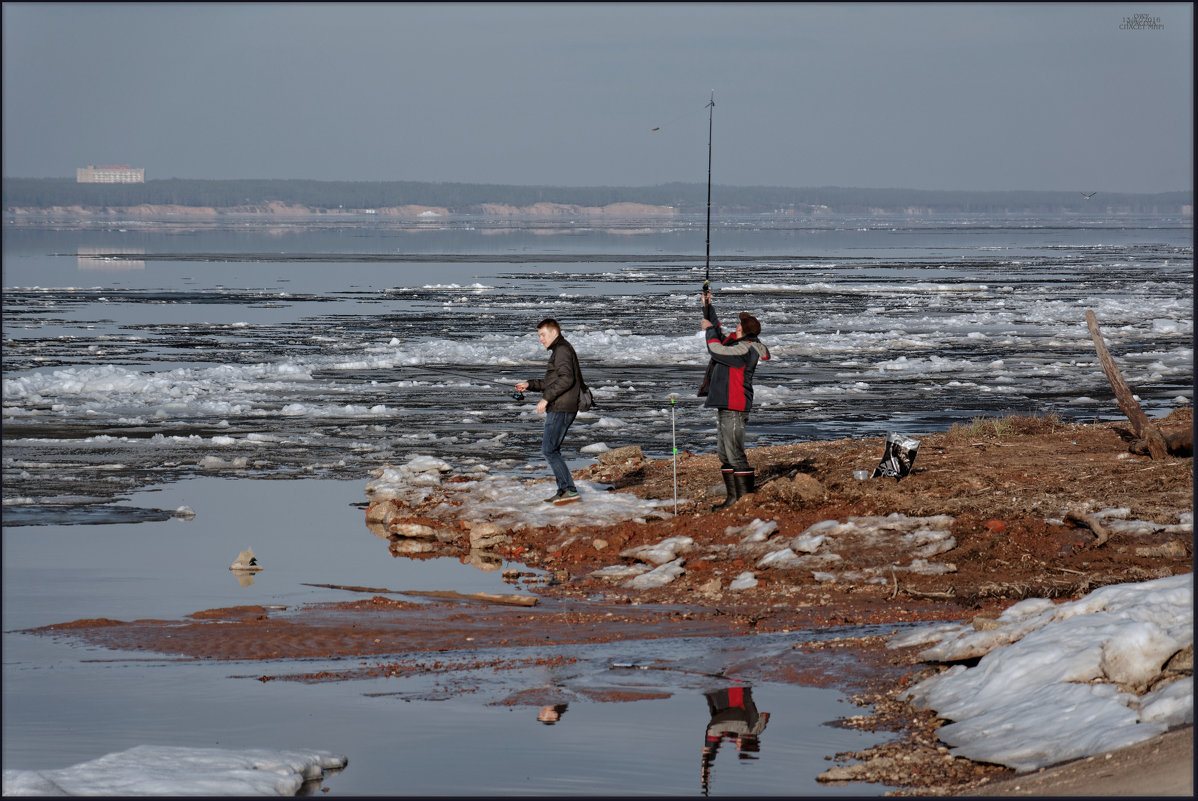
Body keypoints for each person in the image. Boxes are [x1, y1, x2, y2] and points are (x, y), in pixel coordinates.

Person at [698, 290, 770, 509]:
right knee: (724, 453)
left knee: (735, 453)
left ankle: (745, 503)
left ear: (745, 333)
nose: (735, 328)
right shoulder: (738, 344)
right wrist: (708, 307)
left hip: (735, 406)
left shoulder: (744, 351)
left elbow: (714, 347)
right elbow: (719, 336)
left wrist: (709, 329)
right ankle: (732, 499)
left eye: (739, 327)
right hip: (725, 405)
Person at [514, 318, 584, 505]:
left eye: (542, 335)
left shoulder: (561, 350)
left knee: (549, 449)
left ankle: (568, 490)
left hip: (561, 407)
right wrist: (530, 385)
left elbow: (566, 379)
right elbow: (553, 382)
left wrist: (545, 399)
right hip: (561, 405)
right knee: (552, 449)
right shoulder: (560, 350)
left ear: (554, 333)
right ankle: (564, 490)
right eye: (539, 336)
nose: (541, 339)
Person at [699, 686, 770, 795]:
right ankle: (706, 768)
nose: (736, 748)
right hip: (718, 717)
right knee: (715, 737)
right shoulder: (745, 731)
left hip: (728, 704)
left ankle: (706, 767)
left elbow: (765, 714)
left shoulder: (753, 730)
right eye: (738, 748)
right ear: (742, 744)